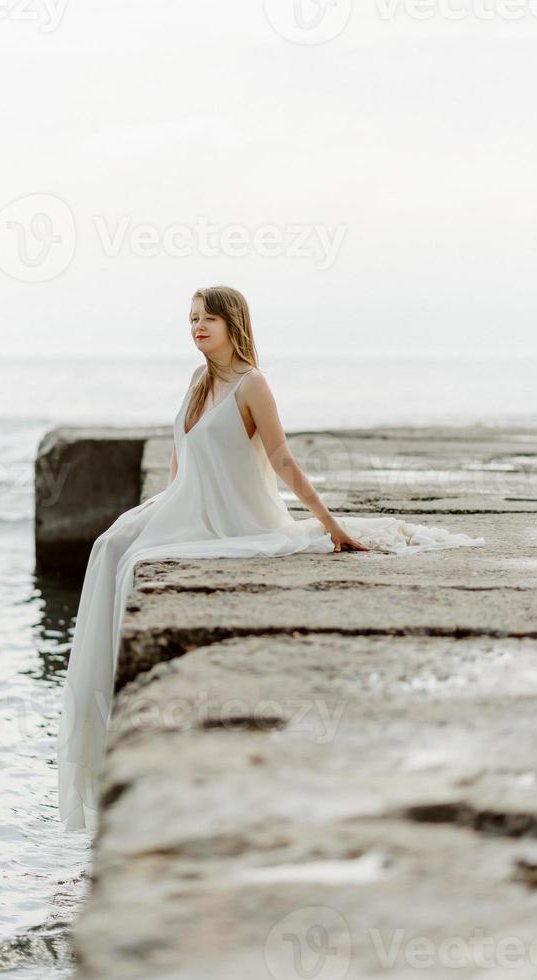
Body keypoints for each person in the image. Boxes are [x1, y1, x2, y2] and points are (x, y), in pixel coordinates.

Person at [57, 284, 485, 831]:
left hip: (235, 519)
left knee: (128, 555)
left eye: (207, 319)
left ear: (233, 323)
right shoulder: (198, 381)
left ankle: (112, 708)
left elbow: (282, 459)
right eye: (191, 319)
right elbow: (179, 453)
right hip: (187, 506)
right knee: (110, 544)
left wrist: (331, 525)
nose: (196, 327)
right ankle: (98, 716)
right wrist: (165, 504)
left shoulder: (251, 385)